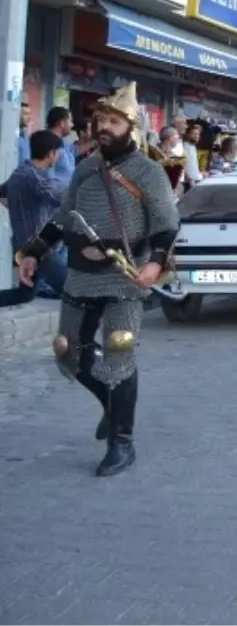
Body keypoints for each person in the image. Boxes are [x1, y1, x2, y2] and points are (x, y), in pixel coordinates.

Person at [17, 83, 179, 477]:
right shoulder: (87, 166)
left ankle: (121, 442)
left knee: (119, 350)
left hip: (125, 273)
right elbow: (64, 217)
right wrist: (34, 251)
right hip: (81, 272)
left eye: (113, 121)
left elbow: (165, 223)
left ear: (130, 126)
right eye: (100, 120)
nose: (103, 127)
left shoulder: (148, 171)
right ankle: (112, 405)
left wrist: (156, 263)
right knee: (68, 352)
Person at [0, 130, 67, 305]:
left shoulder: (19, 173)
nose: (58, 157)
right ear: (51, 153)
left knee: (24, 294)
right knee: (72, 291)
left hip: (22, 245)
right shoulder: (35, 178)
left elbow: (2, 191)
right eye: (58, 153)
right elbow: (60, 199)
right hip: (39, 248)